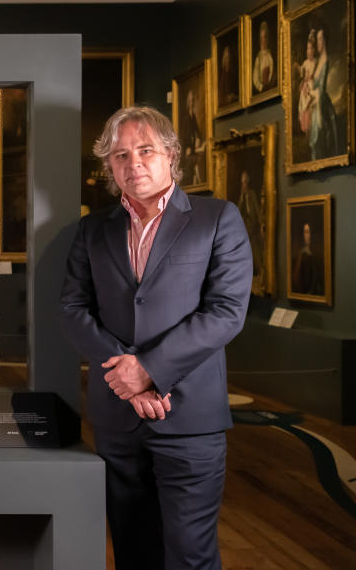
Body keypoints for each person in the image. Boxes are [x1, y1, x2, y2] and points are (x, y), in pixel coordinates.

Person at [60, 106, 253, 570]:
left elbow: (226, 312)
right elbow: (72, 309)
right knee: (133, 551)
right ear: (110, 167)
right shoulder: (92, 230)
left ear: (171, 154)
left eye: (146, 150)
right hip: (118, 418)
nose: (135, 163)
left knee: (190, 556)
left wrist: (148, 370)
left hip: (189, 419)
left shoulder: (217, 219)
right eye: (121, 155)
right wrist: (126, 374)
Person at [309, 28, 341, 160]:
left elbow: (321, 89)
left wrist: (311, 90)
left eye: (320, 39)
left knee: (318, 138)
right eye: (317, 39)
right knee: (314, 141)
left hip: (321, 103)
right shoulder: (318, 60)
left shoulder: (325, 60)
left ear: (325, 41)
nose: (318, 42)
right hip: (316, 103)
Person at [236, 170, 263, 276]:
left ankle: (260, 271)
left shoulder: (252, 194)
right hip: (245, 227)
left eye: (245, 182)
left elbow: (257, 210)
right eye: (242, 183)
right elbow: (238, 211)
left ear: (248, 182)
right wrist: (242, 198)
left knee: (255, 250)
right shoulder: (242, 197)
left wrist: (261, 224)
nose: (244, 185)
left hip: (253, 226)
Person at [180, 89, 205, 185]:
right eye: (190, 100)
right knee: (191, 165)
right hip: (187, 147)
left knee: (198, 160)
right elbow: (184, 134)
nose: (192, 102)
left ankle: (197, 181)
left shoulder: (193, 115)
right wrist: (189, 147)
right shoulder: (186, 116)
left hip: (192, 145)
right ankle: (196, 181)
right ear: (187, 102)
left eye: (193, 100)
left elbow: (197, 130)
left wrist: (200, 139)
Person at [296, 30, 317, 137]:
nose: (308, 51)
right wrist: (298, 68)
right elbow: (302, 72)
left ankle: (310, 129)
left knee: (309, 108)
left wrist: (309, 77)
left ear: (314, 50)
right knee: (302, 108)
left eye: (310, 48)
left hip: (311, 87)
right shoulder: (305, 62)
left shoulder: (315, 62)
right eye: (307, 49)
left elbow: (314, 75)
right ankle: (305, 130)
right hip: (305, 87)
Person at [292, 222, 322, 295]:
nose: (308, 235)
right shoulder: (302, 255)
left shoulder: (315, 254)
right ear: (302, 235)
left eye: (309, 232)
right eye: (306, 232)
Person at [252, 20, 275, 93]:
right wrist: (261, 87)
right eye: (262, 38)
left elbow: (272, 71)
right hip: (262, 89)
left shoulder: (270, 55)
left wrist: (270, 83)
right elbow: (255, 77)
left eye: (265, 37)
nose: (263, 41)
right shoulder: (259, 57)